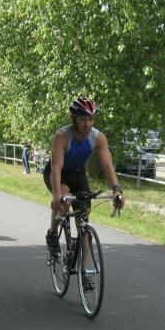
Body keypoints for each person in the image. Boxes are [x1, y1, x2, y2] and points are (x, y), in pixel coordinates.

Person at [43, 97, 124, 272]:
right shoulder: (62, 136)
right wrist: (57, 196)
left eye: (90, 119)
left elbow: (107, 166)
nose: (87, 124)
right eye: (82, 119)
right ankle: (53, 234)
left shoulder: (98, 137)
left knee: (84, 222)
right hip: (58, 172)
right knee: (65, 199)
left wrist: (117, 189)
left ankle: (84, 272)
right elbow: (56, 168)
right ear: (73, 119)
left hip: (78, 174)